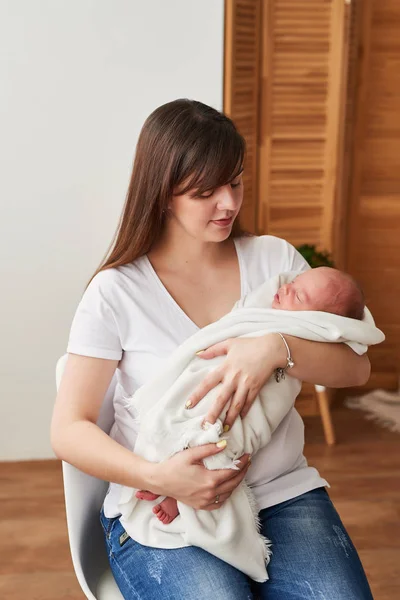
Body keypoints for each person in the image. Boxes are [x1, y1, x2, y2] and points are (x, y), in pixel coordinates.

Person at [51, 99, 374, 599]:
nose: (229, 203)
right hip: (160, 500)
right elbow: (68, 430)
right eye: (206, 192)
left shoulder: (276, 263)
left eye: (236, 182)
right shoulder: (116, 292)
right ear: (163, 194)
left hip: (280, 494)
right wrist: (160, 477)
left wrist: (274, 346)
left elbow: (356, 368)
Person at [135, 265, 367, 527]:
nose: (287, 287)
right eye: (295, 282)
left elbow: (359, 369)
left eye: (299, 296)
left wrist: (276, 348)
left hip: (282, 480)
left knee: (224, 434)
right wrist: (153, 475)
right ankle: (167, 476)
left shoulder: (303, 325)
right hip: (204, 395)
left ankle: (178, 494)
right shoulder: (271, 295)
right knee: (191, 414)